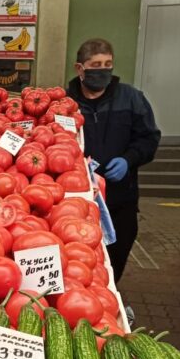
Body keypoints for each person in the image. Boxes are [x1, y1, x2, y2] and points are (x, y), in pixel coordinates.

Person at [67, 38, 161, 283]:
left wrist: (129, 160)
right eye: (96, 64)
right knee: (79, 262)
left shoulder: (131, 98)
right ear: (80, 68)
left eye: (108, 64)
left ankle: (110, 293)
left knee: (115, 260)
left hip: (121, 200)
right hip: (78, 202)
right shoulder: (66, 103)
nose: (103, 70)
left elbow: (149, 138)